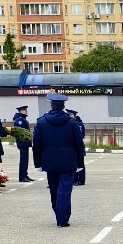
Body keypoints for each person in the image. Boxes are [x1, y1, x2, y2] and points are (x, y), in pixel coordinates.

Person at [33, 92, 85, 227]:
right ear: (63, 106)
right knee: (65, 191)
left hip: (49, 162)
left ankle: (59, 215)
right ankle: (62, 219)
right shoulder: (72, 123)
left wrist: (37, 163)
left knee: (54, 190)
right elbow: (79, 144)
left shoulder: (41, 122)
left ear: (51, 105)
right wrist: (80, 163)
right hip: (68, 162)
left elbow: (36, 145)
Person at [12, 104, 33, 181]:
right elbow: (19, 132)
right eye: (25, 110)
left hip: (25, 143)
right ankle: (22, 177)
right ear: (21, 111)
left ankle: (25, 175)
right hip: (22, 143)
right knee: (23, 160)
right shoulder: (19, 120)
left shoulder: (22, 119)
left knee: (25, 160)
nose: (26, 111)